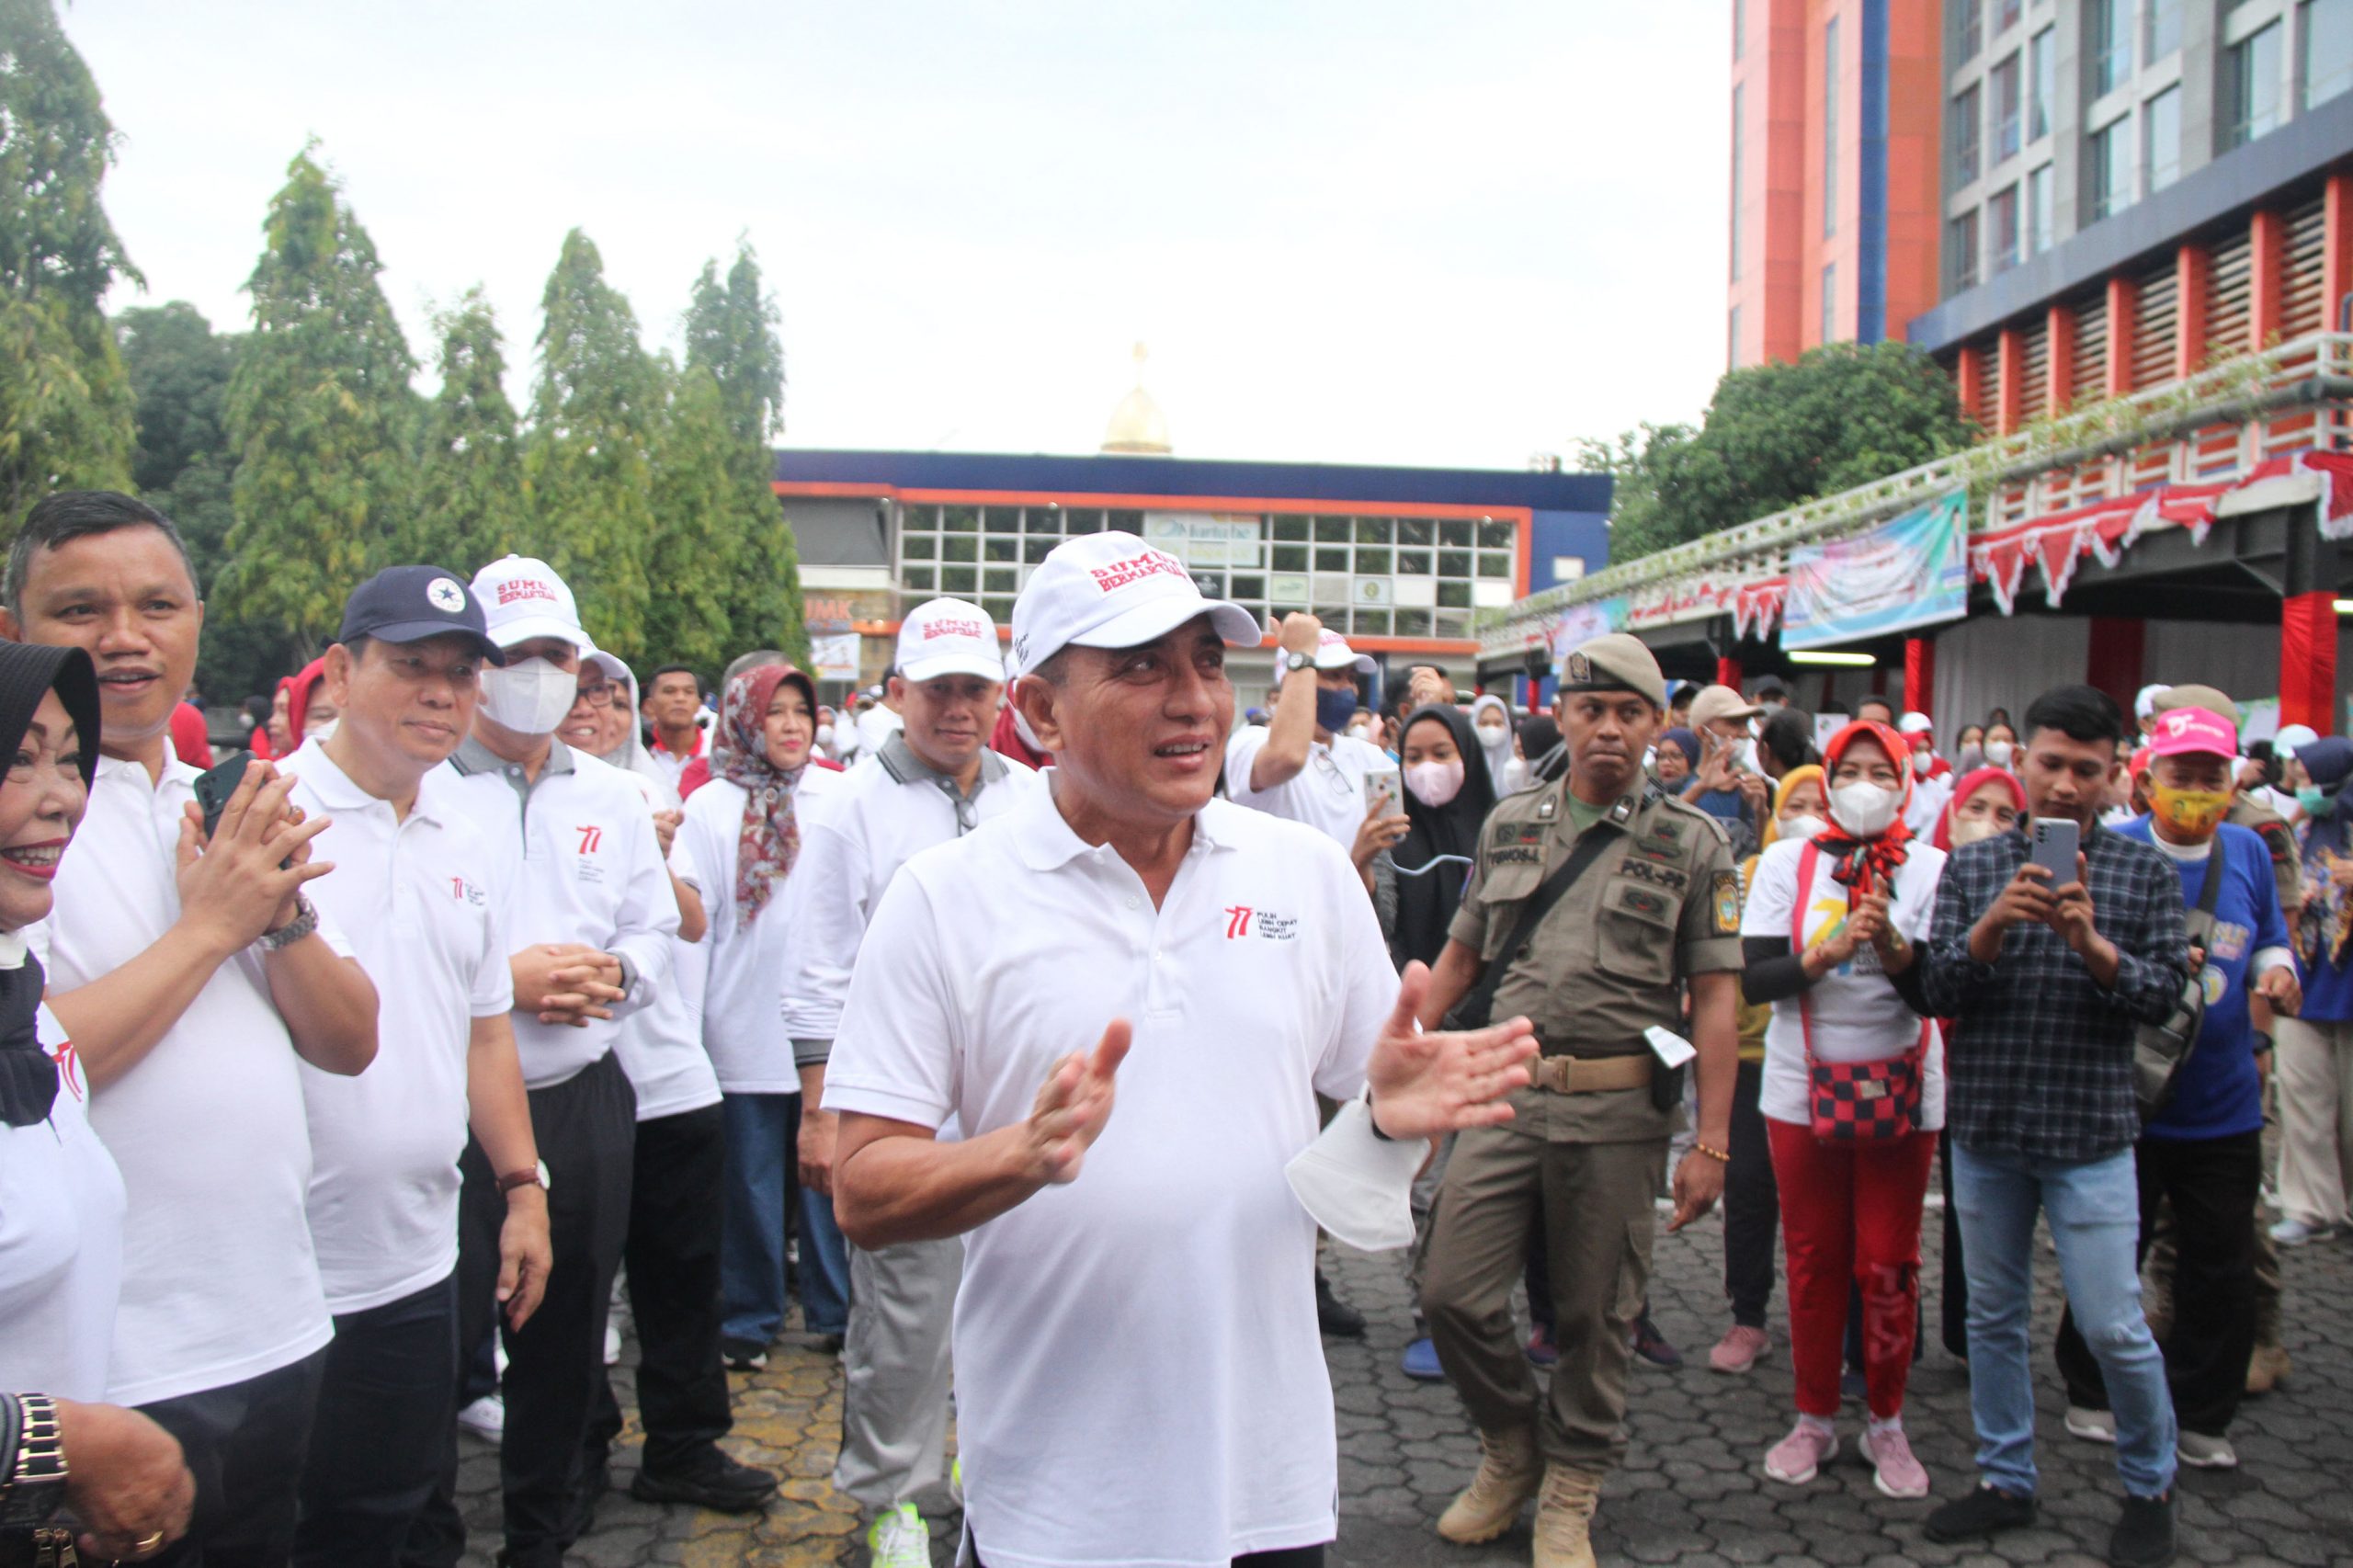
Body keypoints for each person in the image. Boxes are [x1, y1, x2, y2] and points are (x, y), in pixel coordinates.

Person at [821, 529, 1537, 1567]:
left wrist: (1384, 1122)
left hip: (1270, 1486)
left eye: (1206, 660)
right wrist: (1018, 1155)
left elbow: (1375, 1145)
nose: (1194, 698)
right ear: (1039, 711)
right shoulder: (944, 900)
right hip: (1054, 1504)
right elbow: (863, 1188)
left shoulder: (1303, 877)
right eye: (1141, 665)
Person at [4, 491, 380, 1568]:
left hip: (277, 1319)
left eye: (157, 604)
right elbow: (28, 1063)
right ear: (14, 627)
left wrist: (281, 914)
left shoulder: (233, 794)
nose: (125, 637)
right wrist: (213, 927)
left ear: (197, 621)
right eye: (81, 608)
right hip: (114, 1366)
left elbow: (350, 1038)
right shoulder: (27, 815)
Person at [1416, 633, 1744, 1568]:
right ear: (1560, 715)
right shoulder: (1510, 822)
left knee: (1599, 1313)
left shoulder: (1692, 840)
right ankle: (1513, 1444)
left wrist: (1711, 1143)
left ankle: (1572, 1485)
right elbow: (1463, 956)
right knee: (1450, 1289)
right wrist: (1397, 1049)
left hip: (1617, 1113)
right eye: (1590, 709)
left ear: (1654, 726)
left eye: (1629, 712)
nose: (1608, 728)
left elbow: (1717, 997)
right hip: (1508, 1093)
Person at [278, 568, 554, 1567]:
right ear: (344, 671)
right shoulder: (268, 813)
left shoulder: (467, 827)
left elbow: (484, 1028)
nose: (441, 692)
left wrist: (523, 1183)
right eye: (411, 666)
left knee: (394, 1513)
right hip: (282, 1261)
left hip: (417, 1255)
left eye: (462, 671)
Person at [421, 555, 679, 1568]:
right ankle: (423, 1531)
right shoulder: (425, 783)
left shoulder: (615, 796)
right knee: (437, 1338)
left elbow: (655, 932)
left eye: (555, 653)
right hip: (446, 1107)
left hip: (582, 1094)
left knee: (566, 1335)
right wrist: (507, 980)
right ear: (477, 665)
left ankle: (541, 1530)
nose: (536, 672)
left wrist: (612, 972)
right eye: (514, 653)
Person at [774, 599, 1043, 1567]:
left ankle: (986, 1460)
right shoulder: (852, 806)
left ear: (1001, 692)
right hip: (901, 1106)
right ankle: (893, 1493)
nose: (958, 708)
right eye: (938, 690)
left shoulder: (1033, 794)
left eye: (975, 687)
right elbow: (817, 966)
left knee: (1012, 1293)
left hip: (1011, 1095)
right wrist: (820, 1109)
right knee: (904, 1311)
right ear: (897, 694)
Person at [1917, 685, 2188, 1568]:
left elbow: (2162, 1001)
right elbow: (1938, 991)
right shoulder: (1974, 867)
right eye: (2051, 764)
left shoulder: (2145, 873)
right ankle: (2005, 1477)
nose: (2066, 784)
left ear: (2116, 778)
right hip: (1987, 1129)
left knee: (2113, 1323)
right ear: (2021, 762)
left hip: (2092, 1137)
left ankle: (2151, 1484)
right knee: (1994, 1316)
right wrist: (1993, 927)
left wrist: (2095, 948)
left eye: (2087, 770)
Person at [2049, 706, 2294, 1472]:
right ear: (2146, 781)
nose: (2194, 792)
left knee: (2217, 1264)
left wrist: (2274, 971)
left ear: (2232, 785)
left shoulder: (2249, 851)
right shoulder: (2111, 849)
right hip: (2125, 1098)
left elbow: (2271, 936)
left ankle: (2201, 1411)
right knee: (2106, 1253)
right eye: (2179, 777)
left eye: (2210, 778)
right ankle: (2090, 1388)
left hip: (2223, 1105)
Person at [0, 641, 199, 1566]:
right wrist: (57, 1442)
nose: (61, 797)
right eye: (18, 756)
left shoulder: (21, 1000)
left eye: (69, 759)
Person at [566, 653, 778, 1516]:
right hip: (572, 1081)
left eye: (612, 696)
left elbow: (690, 922)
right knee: (575, 1286)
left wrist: (651, 855)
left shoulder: (652, 790)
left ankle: (683, 1446)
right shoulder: (502, 801)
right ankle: (574, 1451)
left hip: (672, 1075)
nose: (598, 710)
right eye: (583, 693)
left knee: (683, 1280)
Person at [1740, 722, 1947, 1499]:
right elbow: (1755, 979)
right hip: (1801, 1085)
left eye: (1879, 771)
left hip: (1905, 1087)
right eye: (1849, 770)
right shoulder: (1786, 866)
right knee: (1816, 1257)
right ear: (1825, 781)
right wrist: (1824, 953)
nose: (1864, 784)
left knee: (1888, 1261)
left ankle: (1887, 1419)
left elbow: (1937, 992)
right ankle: (1814, 1415)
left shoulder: (1930, 868)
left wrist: (1894, 948)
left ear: (1904, 782)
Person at [674, 653, 847, 1375]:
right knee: (747, 1187)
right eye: (774, 712)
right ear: (745, 719)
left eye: (802, 712)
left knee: (829, 1180)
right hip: (740, 1024)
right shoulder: (712, 808)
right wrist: (686, 1031)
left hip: (828, 1028)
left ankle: (839, 1313)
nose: (790, 726)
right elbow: (694, 922)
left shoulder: (844, 798)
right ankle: (750, 1316)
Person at [1707, 762, 1823, 1379]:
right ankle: (1748, 1315)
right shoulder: (1748, 875)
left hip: (1828, 1064)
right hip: (1753, 1056)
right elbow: (1727, 966)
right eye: (1797, 801)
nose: (1809, 813)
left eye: (1819, 802)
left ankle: (1832, 1324)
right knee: (1750, 1188)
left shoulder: (1858, 879)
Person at [2273, 734, 2353, 1248]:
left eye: (2308, 778)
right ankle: (2309, 1206)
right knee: (2303, 1100)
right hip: (2304, 980)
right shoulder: (2299, 828)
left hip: (2347, 985)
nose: (2302, 789)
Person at [640, 665, 709, 786]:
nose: (680, 698)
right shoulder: (639, 755)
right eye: (669, 691)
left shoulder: (715, 753)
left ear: (699, 704)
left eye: (689, 692)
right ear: (650, 705)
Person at [1471, 694, 1518, 793]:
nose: (1491, 728)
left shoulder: (1518, 769)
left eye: (1498, 723)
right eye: (1484, 723)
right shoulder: (1465, 765)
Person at [1652, 727, 1699, 795]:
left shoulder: (1701, 797)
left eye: (1675, 756)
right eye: (1661, 756)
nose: (1666, 763)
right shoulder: (1648, 793)